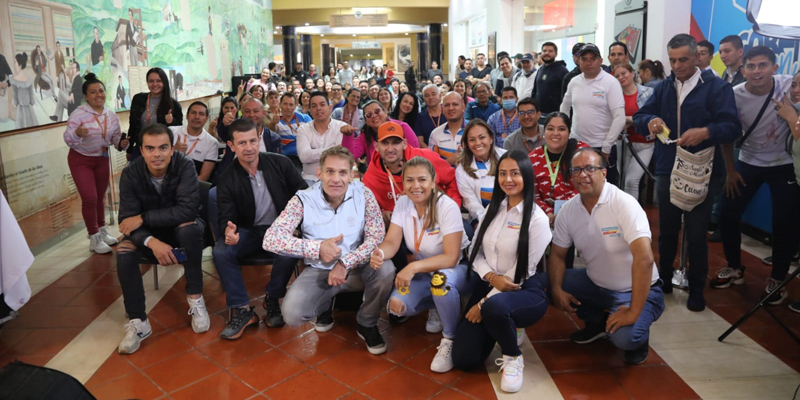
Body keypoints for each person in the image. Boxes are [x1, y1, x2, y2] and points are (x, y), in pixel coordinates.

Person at [633, 33, 740, 311]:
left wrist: (706, 131)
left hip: (703, 168)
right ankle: (665, 280)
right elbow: (641, 116)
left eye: (683, 59)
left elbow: (732, 127)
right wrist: (652, 120)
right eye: (672, 60)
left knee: (695, 232)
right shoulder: (665, 86)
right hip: (669, 165)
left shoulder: (716, 87)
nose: (677, 66)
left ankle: (696, 289)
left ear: (697, 57)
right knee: (666, 229)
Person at [264, 146, 392, 354]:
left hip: (358, 266)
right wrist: (317, 248)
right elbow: (271, 239)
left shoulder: (363, 194)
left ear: (352, 174)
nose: (336, 179)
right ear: (319, 173)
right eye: (330, 171)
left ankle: (367, 322)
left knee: (386, 269)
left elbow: (376, 236)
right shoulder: (302, 199)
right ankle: (325, 305)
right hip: (320, 269)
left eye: (343, 172)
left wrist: (345, 263)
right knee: (292, 314)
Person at [546, 147, 665, 365]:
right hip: (596, 283)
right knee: (545, 283)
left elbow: (645, 259)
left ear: (604, 172)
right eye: (577, 170)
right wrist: (556, 289)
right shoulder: (569, 211)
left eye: (590, 168)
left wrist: (632, 311)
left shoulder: (624, 204)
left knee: (625, 337)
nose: (583, 175)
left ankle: (639, 336)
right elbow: (557, 255)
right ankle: (597, 324)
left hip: (636, 290)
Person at [452, 151, 551, 393]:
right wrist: (490, 277)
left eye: (515, 173)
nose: (508, 179)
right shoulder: (492, 210)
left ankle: (512, 356)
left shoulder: (536, 219)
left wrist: (482, 303)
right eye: (503, 173)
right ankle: (501, 322)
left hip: (523, 288)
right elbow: (475, 253)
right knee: (465, 359)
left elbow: (519, 273)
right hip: (491, 282)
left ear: (527, 175)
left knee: (494, 308)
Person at [712, 46, 798, 305]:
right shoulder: (734, 95)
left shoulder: (788, 86)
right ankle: (735, 267)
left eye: (763, 65)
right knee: (728, 214)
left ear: (775, 68)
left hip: (784, 165)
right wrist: (730, 170)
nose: (757, 71)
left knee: (784, 221)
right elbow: (727, 136)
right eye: (751, 66)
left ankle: (778, 278)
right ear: (743, 70)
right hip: (748, 162)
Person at [116, 124, 209, 354]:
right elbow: (127, 222)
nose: (157, 154)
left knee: (189, 229)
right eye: (150, 148)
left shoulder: (184, 165)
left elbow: (187, 211)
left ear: (172, 148)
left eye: (163, 147)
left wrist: (144, 217)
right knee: (124, 250)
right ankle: (139, 321)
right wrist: (151, 242)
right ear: (142, 150)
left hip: (180, 227)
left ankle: (196, 299)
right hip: (150, 233)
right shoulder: (131, 173)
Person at [371, 156, 471, 372]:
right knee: (397, 307)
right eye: (409, 180)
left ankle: (450, 339)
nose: (416, 186)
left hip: (456, 269)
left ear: (433, 182)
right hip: (425, 269)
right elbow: (391, 242)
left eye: (422, 180)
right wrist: (379, 252)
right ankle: (438, 305)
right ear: (403, 183)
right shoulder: (402, 203)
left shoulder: (447, 206)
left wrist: (412, 267)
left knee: (441, 281)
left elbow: (451, 257)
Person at [213, 119, 307, 339]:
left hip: (280, 228)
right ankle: (244, 310)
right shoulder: (226, 177)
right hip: (248, 230)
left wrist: (295, 225)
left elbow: (304, 196)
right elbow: (226, 215)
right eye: (242, 143)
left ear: (259, 140)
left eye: (253, 140)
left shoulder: (281, 163)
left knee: (291, 248)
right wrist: (228, 231)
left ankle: (273, 298)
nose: (249, 147)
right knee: (221, 251)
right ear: (231, 146)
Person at [63, 73, 129, 254]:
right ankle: (93, 237)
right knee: (90, 198)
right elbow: (68, 139)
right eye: (93, 92)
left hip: (102, 158)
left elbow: (115, 139)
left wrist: (122, 143)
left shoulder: (110, 115)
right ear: (86, 96)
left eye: (101, 91)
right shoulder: (78, 114)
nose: (98, 94)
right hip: (81, 160)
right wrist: (77, 133)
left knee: (100, 197)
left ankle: (102, 230)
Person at [362, 121, 462, 220]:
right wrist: (381, 213)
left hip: (435, 219)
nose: (390, 149)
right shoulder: (370, 178)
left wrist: (452, 208)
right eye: (384, 143)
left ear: (404, 144)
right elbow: (368, 209)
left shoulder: (427, 158)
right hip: (398, 227)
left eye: (396, 143)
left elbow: (452, 179)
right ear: (376, 146)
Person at [560, 44, 625, 186]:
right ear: (578, 61)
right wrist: (566, 132)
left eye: (593, 58)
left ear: (601, 60)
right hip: (576, 145)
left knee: (604, 190)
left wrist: (607, 147)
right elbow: (564, 107)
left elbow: (619, 118)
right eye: (584, 59)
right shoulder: (574, 82)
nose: (588, 63)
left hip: (602, 147)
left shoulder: (611, 82)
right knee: (576, 187)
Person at [529, 112, 588, 225]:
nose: (555, 133)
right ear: (543, 131)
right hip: (545, 217)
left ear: (569, 132)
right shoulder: (533, 157)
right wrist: (548, 212)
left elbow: (586, 185)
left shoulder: (582, 152)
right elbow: (533, 193)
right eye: (550, 129)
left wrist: (563, 211)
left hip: (579, 212)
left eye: (561, 129)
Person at [614, 64, 654, 201]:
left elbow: (651, 117)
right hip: (622, 143)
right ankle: (623, 214)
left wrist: (629, 119)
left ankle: (633, 218)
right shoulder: (615, 95)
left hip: (645, 143)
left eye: (624, 73)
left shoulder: (648, 92)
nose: (621, 77)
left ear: (632, 73)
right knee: (623, 181)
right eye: (617, 76)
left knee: (632, 181)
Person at [456, 119, 507, 223]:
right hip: (481, 219)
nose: (478, 143)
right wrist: (486, 221)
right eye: (472, 139)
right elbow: (471, 203)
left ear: (491, 138)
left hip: (510, 216)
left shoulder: (507, 158)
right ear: (467, 144)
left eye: (482, 137)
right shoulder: (461, 170)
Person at [128, 67, 183, 160]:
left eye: (158, 81)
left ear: (164, 82)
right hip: (140, 149)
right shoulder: (138, 99)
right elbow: (133, 126)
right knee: (137, 174)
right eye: (151, 81)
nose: (155, 84)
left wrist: (172, 121)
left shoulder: (173, 105)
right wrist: (129, 150)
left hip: (161, 151)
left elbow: (179, 130)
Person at [341, 101, 419, 164]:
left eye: (377, 111)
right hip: (377, 177)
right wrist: (347, 136)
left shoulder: (402, 127)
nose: (374, 116)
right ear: (366, 121)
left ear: (385, 112)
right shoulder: (364, 135)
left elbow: (416, 153)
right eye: (369, 115)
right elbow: (349, 157)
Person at [297, 92, 347, 183]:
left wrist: (313, 152)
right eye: (314, 106)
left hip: (335, 178)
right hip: (310, 178)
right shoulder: (303, 129)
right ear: (310, 111)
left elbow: (339, 156)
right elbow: (304, 156)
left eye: (322, 104)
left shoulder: (341, 127)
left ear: (330, 108)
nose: (318, 108)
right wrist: (333, 149)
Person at [169, 101, 217, 182]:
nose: (197, 117)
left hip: (192, 186)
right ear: (187, 116)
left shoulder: (211, 143)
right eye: (193, 113)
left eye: (201, 114)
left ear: (206, 119)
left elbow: (204, 177)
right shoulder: (171, 132)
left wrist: (184, 187)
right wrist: (174, 151)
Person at [275, 93, 312, 169]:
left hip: (307, 155)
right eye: (285, 104)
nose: (288, 107)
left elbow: (313, 134)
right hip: (288, 157)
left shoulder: (304, 118)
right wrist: (273, 123)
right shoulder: (276, 121)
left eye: (291, 105)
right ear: (280, 104)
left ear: (295, 106)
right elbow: (272, 130)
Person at [430, 92, 468, 166]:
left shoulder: (473, 130)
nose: (451, 108)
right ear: (442, 109)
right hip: (444, 177)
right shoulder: (435, 134)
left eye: (455, 104)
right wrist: (449, 161)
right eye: (447, 105)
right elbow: (432, 166)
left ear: (463, 107)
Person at [532, 42, 568, 116]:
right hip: (539, 114)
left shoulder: (563, 71)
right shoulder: (540, 69)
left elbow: (567, 94)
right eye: (544, 51)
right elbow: (535, 90)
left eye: (550, 51)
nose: (547, 53)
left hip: (555, 114)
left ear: (556, 54)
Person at [10, 53, 37, 129]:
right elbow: (32, 99)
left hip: (20, 110)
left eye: (15, 62)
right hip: (29, 109)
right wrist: (31, 102)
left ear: (20, 64)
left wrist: (15, 103)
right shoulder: (28, 80)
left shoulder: (14, 80)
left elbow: (15, 98)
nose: (14, 64)